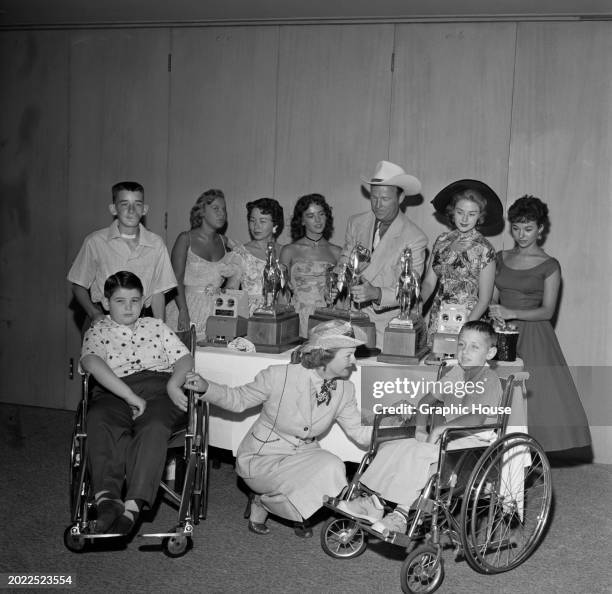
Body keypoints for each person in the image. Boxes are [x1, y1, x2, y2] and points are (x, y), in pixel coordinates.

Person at [183, 320, 372, 538]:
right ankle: (291, 508)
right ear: (326, 355)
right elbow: (238, 399)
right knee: (311, 480)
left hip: (303, 454)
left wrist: (392, 425)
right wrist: (207, 387)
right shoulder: (278, 376)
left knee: (334, 467)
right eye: (348, 355)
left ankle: (267, 503)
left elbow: (359, 432)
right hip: (263, 456)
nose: (354, 361)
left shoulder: (345, 390)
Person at [337, 320, 502, 536]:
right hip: (449, 438)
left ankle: (402, 514)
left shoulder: (489, 378)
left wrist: (440, 430)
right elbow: (425, 403)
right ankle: (375, 503)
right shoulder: (455, 373)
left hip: (474, 443)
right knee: (395, 445)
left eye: (474, 347)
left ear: (490, 353)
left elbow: (478, 418)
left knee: (420, 454)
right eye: (461, 345)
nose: (465, 352)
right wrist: (421, 429)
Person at [80, 271, 193, 536]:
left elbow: (184, 358)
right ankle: (107, 499)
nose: (129, 307)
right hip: (114, 389)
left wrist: (173, 384)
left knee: (154, 426)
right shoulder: (98, 330)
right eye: (120, 301)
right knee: (99, 418)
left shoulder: (156, 326)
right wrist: (129, 396)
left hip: (159, 388)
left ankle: (132, 506)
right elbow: (91, 362)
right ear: (106, 304)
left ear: (143, 301)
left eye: (134, 300)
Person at [489, 196, 591, 453]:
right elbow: (491, 298)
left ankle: (523, 462)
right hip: (500, 332)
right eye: (516, 228)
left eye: (528, 228)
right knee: (495, 398)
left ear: (541, 230)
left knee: (531, 401)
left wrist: (511, 311)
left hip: (533, 336)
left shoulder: (550, 265)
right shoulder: (500, 257)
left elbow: (547, 311)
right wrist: (494, 313)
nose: (521, 234)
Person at [341, 160, 428, 347]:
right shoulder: (355, 223)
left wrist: (376, 293)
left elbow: (409, 288)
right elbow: (343, 262)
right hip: (351, 323)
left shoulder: (415, 237)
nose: (378, 205)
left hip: (386, 330)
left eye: (385, 199)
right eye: (374, 197)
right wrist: (340, 277)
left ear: (401, 198)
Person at [68, 181, 176, 325]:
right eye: (124, 204)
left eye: (137, 204)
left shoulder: (156, 244)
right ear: (113, 209)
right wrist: (94, 313)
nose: (131, 210)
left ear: (144, 209)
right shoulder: (95, 242)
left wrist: (160, 327)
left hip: (142, 322)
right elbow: (78, 285)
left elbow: (158, 292)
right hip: (104, 320)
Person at [422, 180, 501, 343]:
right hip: (439, 318)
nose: (465, 219)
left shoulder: (485, 249)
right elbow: (429, 283)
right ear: (452, 212)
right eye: (460, 212)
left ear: (480, 216)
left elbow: (485, 299)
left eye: (472, 214)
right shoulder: (442, 241)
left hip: (468, 321)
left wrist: (463, 329)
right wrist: (416, 304)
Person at [166, 189, 242, 336]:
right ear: (201, 211)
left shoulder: (224, 241)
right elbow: (176, 279)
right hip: (186, 308)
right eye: (216, 208)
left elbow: (245, 257)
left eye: (224, 209)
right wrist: (183, 310)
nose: (222, 213)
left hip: (218, 310)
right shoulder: (185, 238)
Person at [280, 194, 342, 336]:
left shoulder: (337, 252)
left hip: (327, 318)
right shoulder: (289, 250)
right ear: (301, 220)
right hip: (296, 317)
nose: (318, 220)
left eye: (321, 214)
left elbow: (342, 296)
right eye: (310, 215)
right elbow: (282, 295)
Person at [233, 198, 285, 315]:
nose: (256, 226)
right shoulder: (241, 252)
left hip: (278, 313)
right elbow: (232, 290)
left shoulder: (285, 251)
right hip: (249, 314)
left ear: (275, 224)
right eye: (252, 221)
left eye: (262, 221)